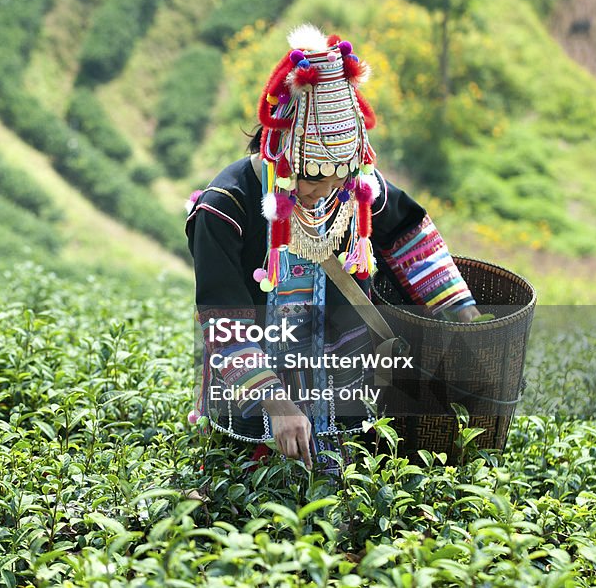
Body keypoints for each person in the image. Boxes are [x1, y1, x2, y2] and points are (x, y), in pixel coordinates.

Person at [186, 24, 480, 472]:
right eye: (307, 176)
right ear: (278, 151)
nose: (317, 191)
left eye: (333, 178)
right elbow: (224, 325)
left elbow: (413, 240)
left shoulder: (351, 191)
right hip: (252, 412)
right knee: (251, 502)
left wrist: (467, 321)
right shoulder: (225, 209)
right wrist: (278, 404)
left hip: (344, 398)